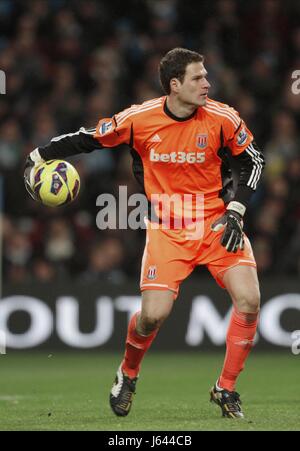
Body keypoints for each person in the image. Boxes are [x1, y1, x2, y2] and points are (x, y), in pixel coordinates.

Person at [24, 48, 265, 419]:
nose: (207, 83)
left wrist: (236, 208)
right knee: (152, 316)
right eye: (198, 78)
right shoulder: (139, 119)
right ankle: (128, 373)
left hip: (218, 221)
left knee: (249, 299)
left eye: (205, 76)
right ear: (175, 84)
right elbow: (88, 138)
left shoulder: (222, 117)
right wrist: (40, 155)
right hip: (168, 229)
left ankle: (226, 388)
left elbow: (254, 160)